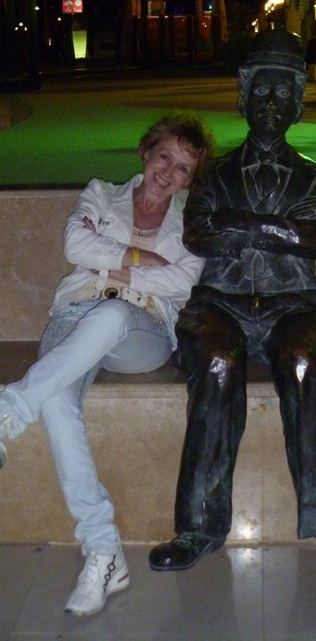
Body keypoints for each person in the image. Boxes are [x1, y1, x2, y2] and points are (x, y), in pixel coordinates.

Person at [148, 30, 316, 572]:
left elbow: (315, 241)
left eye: (284, 93)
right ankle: (197, 526)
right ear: (244, 96)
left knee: (304, 360)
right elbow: (200, 235)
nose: (271, 103)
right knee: (218, 363)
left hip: (293, 304)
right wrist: (278, 228)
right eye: (262, 90)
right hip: (221, 303)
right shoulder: (213, 175)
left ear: (298, 104)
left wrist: (244, 223)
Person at [0, 113, 215, 615]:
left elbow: (183, 282)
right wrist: (144, 260)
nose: (168, 172)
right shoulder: (101, 192)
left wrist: (113, 261)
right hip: (75, 313)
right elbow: (75, 245)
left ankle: (10, 408)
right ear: (146, 152)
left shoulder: (194, 219)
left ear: (190, 179)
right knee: (58, 402)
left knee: (114, 313)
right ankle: (103, 551)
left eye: (183, 168)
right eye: (165, 156)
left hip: (143, 328)